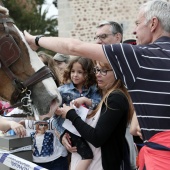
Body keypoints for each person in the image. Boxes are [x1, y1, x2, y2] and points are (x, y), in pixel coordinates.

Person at [24, 0, 170, 169]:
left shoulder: (138, 56)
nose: (134, 30)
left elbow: (74, 47)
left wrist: (35, 40)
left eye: (138, 23)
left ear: (153, 23)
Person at [57, 60, 134, 170]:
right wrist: (62, 135)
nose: (98, 74)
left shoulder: (116, 98)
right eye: (97, 70)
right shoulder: (107, 95)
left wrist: (71, 115)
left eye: (104, 71)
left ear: (117, 73)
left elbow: (96, 137)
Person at [95, 20, 137, 170]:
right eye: (97, 38)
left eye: (103, 36)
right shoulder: (96, 65)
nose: (99, 41)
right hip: (99, 151)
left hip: (129, 140)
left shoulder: (133, 62)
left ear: (118, 37)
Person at [54, 56, 101, 170]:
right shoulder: (62, 90)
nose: (75, 75)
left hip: (88, 128)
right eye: (73, 71)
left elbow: (99, 104)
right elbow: (54, 114)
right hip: (71, 130)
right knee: (85, 155)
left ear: (88, 74)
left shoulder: (93, 89)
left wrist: (85, 100)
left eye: (80, 72)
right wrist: (59, 111)